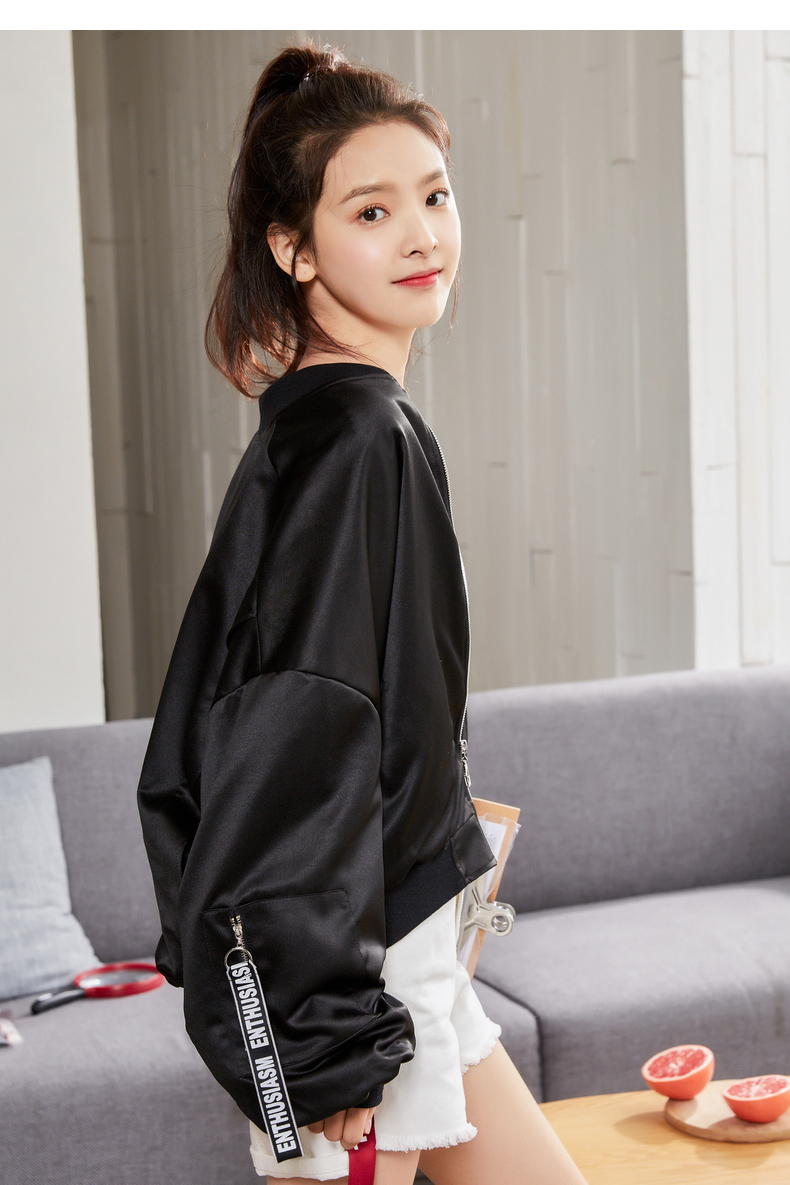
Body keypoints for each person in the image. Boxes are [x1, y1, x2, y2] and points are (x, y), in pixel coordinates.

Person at [137, 40, 588, 1185]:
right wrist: (323, 1037)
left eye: (434, 196)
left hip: (394, 953)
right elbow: (293, 748)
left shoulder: (335, 428)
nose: (422, 235)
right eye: (372, 212)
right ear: (292, 248)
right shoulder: (351, 442)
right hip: (349, 997)